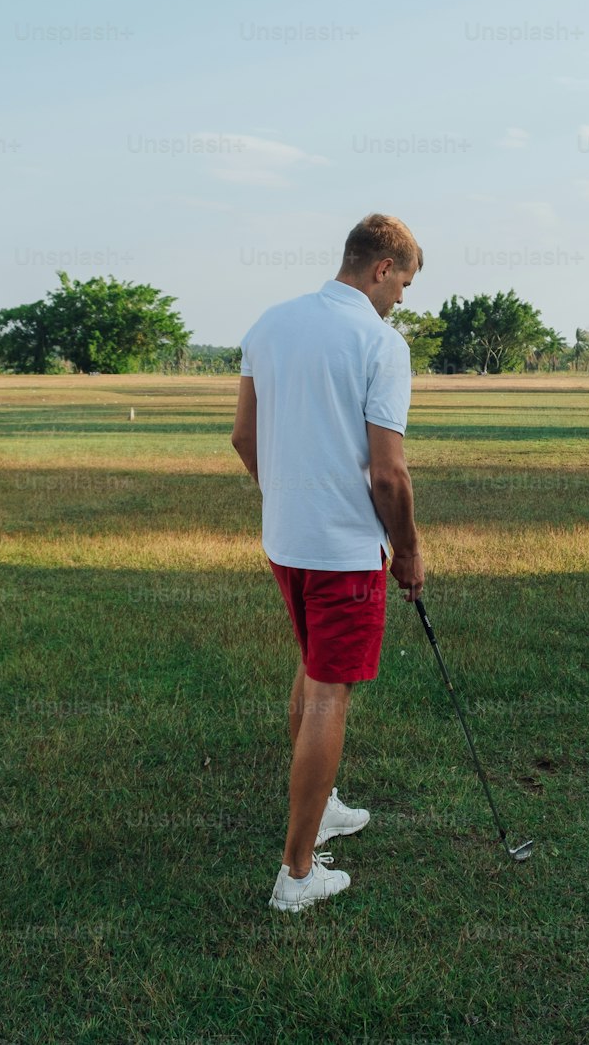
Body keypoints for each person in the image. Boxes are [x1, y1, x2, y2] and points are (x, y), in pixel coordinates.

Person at [230, 212, 425, 914]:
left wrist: (284, 497)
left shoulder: (269, 323)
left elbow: (243, 436)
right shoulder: (380, 342)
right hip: (345, 551)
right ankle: (298, 873)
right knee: (329, 692)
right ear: (381, 268)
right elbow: (389, 477)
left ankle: (327, 806)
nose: (402, 298)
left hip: (286, 540)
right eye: (403, 283)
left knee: (314, 668)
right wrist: (407, 550)